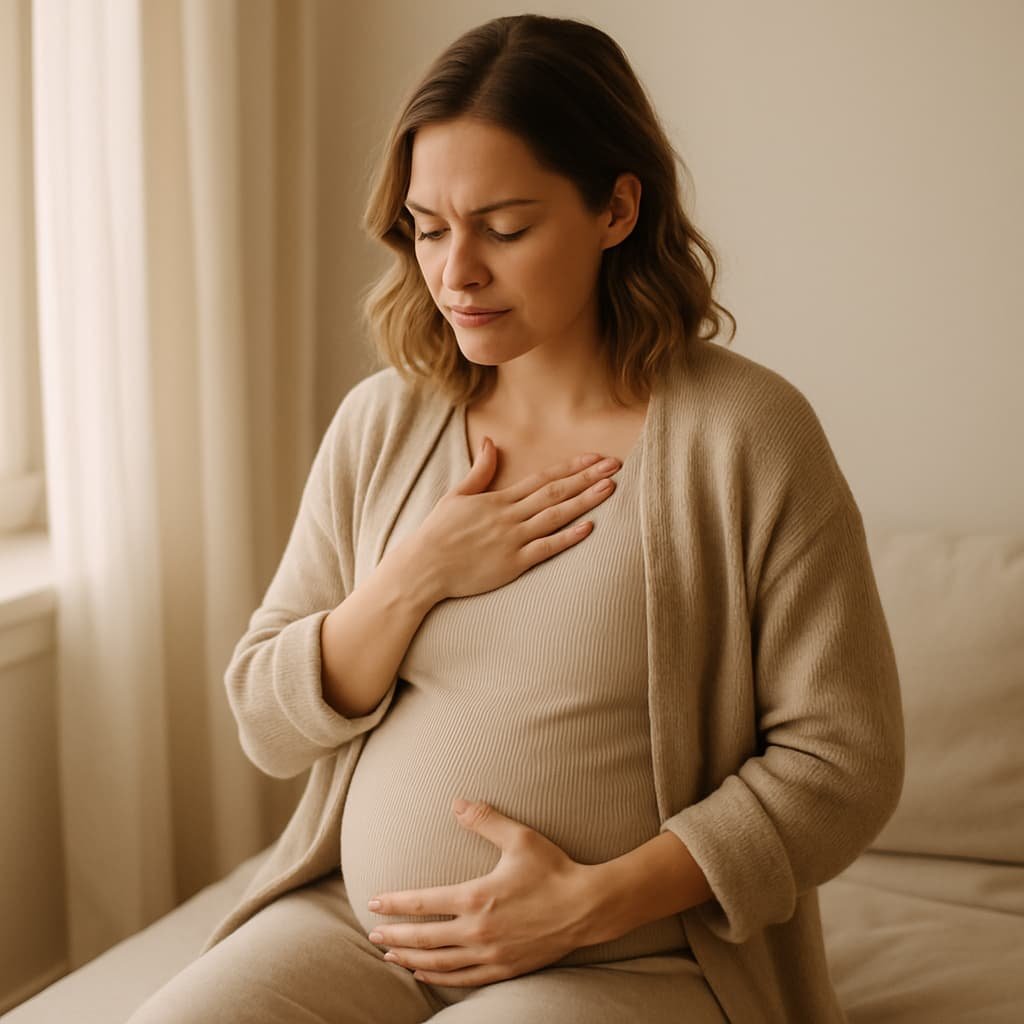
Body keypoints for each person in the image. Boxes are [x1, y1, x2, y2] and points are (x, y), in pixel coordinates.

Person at [127, 13, 904, 1024]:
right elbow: (267, 722)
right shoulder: (384, 421)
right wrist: (415, 576)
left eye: (504, 226)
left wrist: (586, 904)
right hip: (356, 935)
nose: (455, 273)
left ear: (616, 207)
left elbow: (843, 763)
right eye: (428, 226)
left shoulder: (743, 434)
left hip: (623, 959)